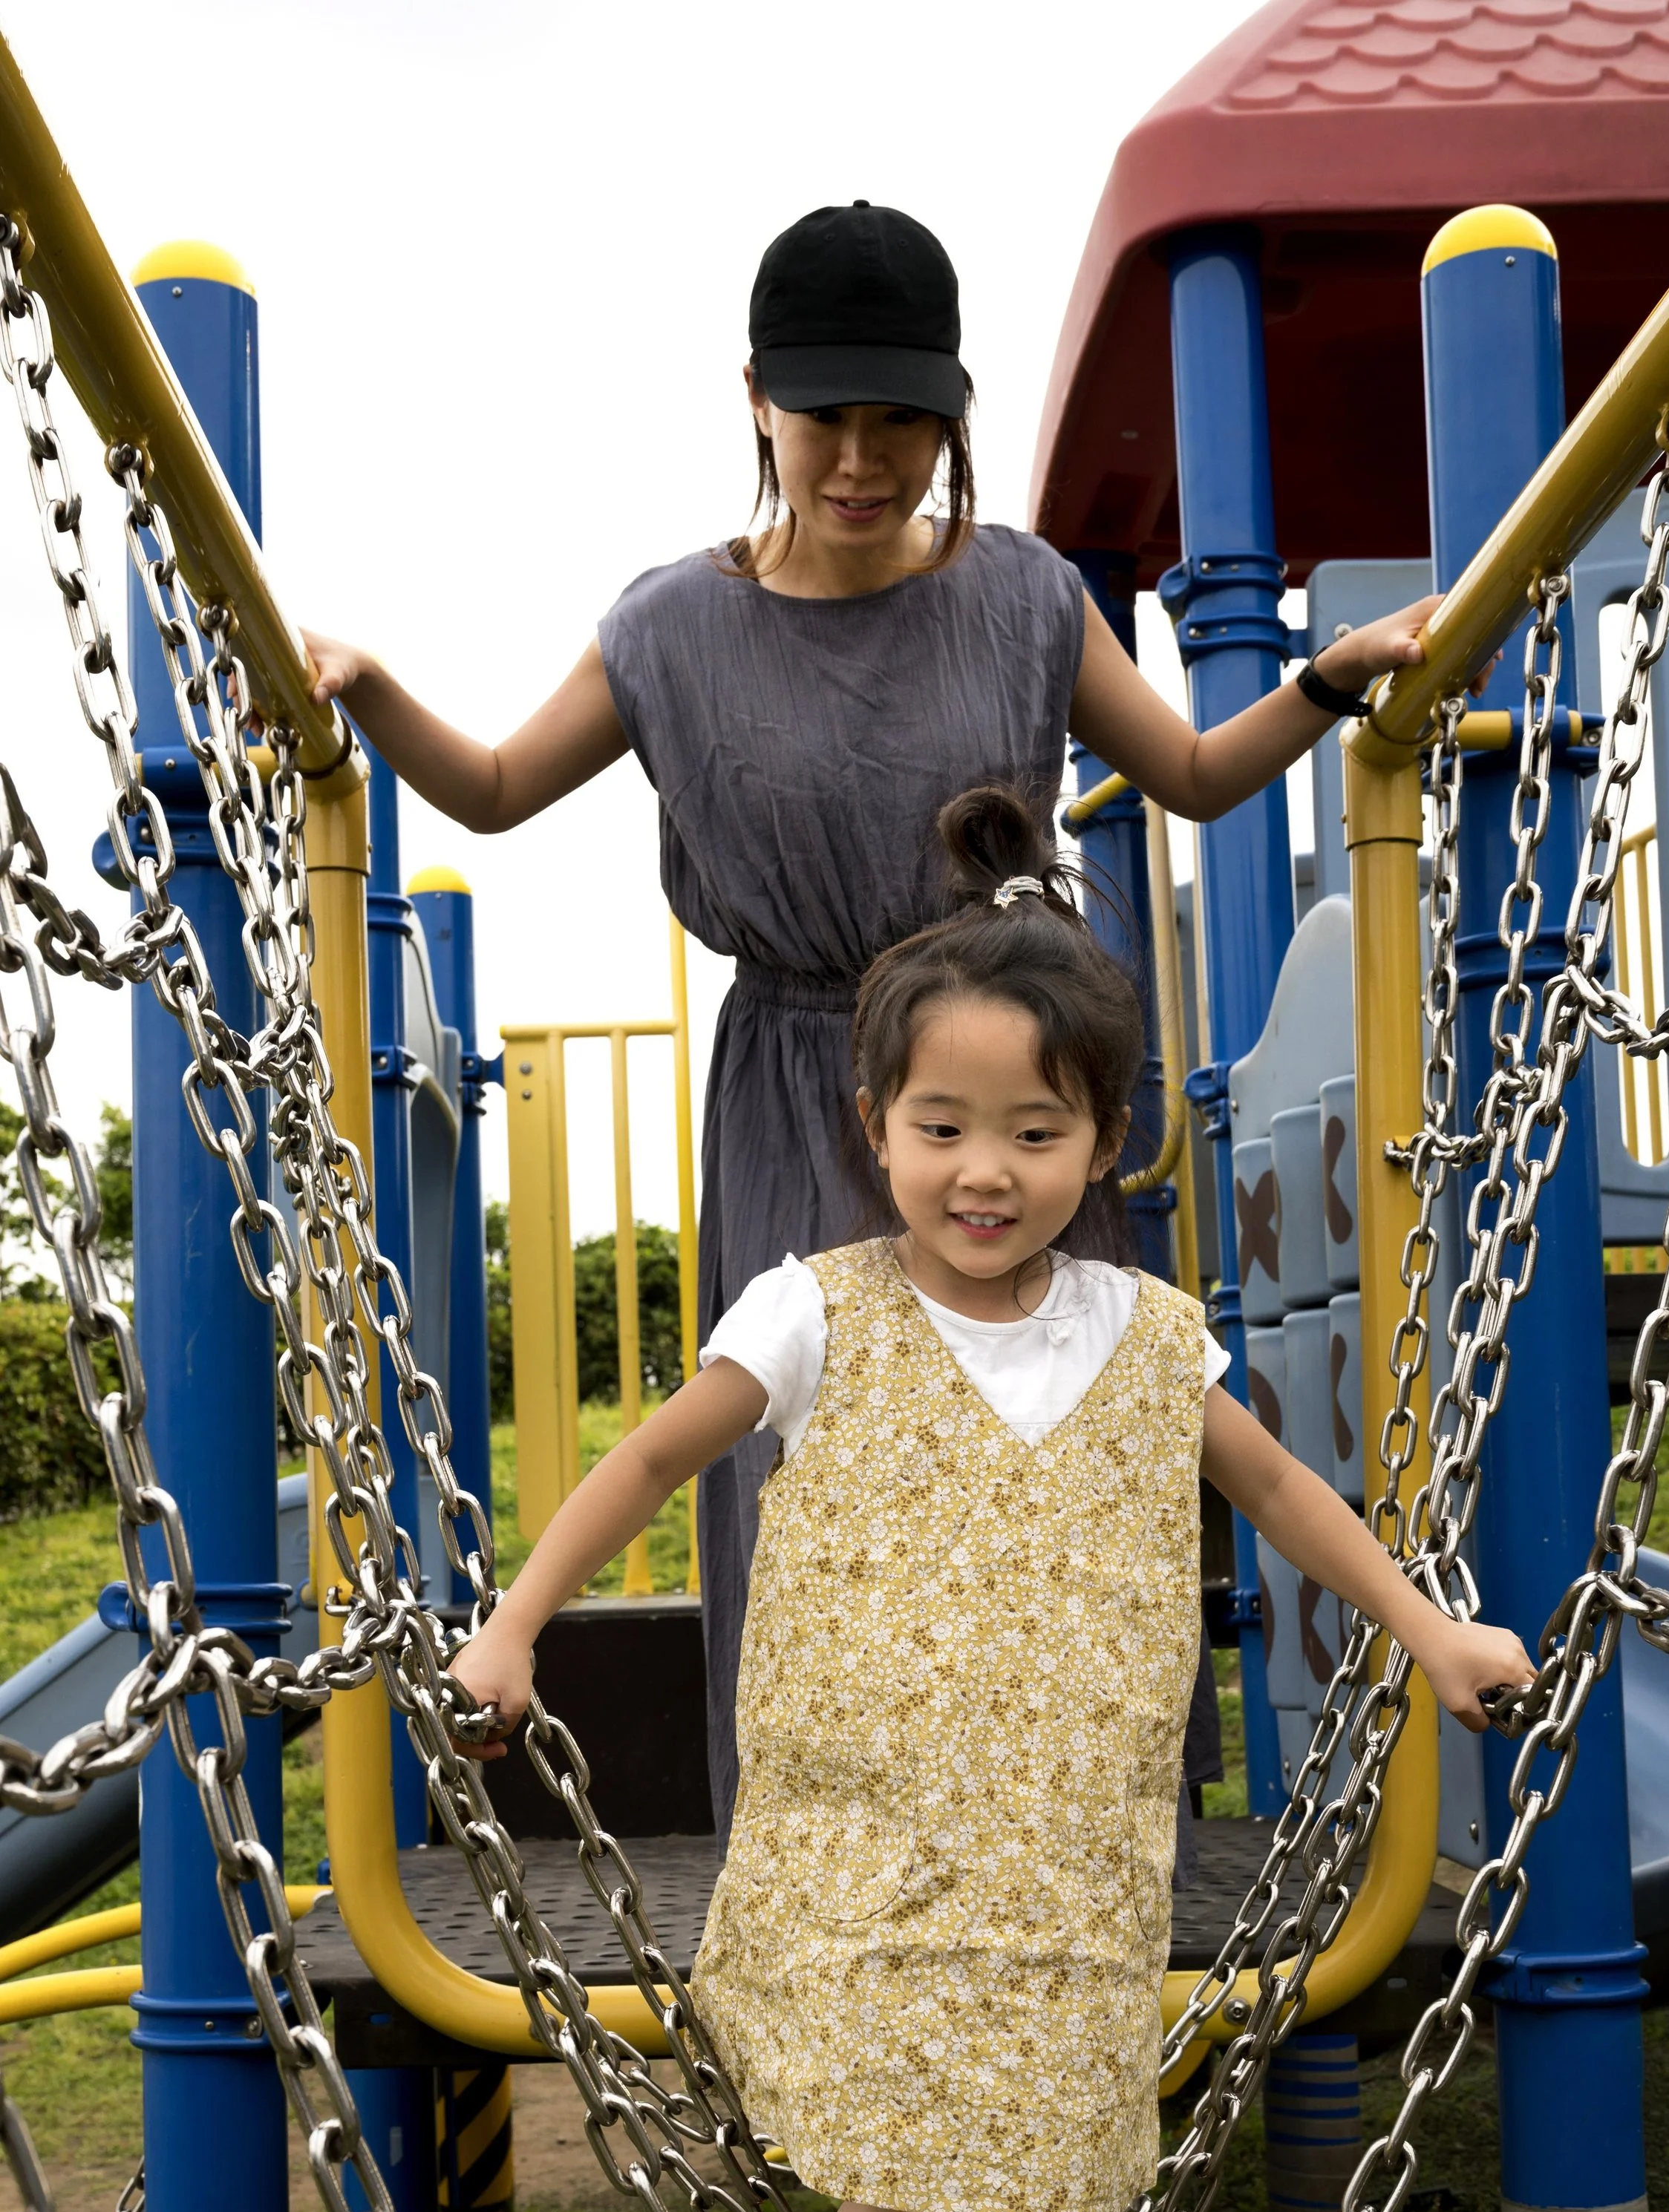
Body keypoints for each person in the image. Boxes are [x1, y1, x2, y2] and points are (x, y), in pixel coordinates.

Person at [448, 785, 1533, 2212]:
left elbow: (1285, 1486)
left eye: (1033, 1130)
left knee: (1043, 2181)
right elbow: (643, 1457)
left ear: (1101, 1141)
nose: (983, 1168)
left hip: (1072, 1852)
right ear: (872, 1131)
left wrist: (1431, 1628)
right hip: (868, 1856)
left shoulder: (1148, 1330)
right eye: (940, 1127)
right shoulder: (811, 1312)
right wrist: (520, 1615)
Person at [301, 196, 1461, 1851]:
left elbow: (1192, 776)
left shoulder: (1023, 599)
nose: (861, 457)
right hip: (803, 1093)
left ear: (950, 415)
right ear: (755, 402)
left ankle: (1067, 1855)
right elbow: (488, 792)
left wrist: (1329, 681)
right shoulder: (669, 626)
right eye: (825, 417)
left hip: (1002, 1076)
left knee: (1050, 1472)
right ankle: (817, 1876)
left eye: (903, 422)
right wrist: (370, 684)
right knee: (798, 1479)